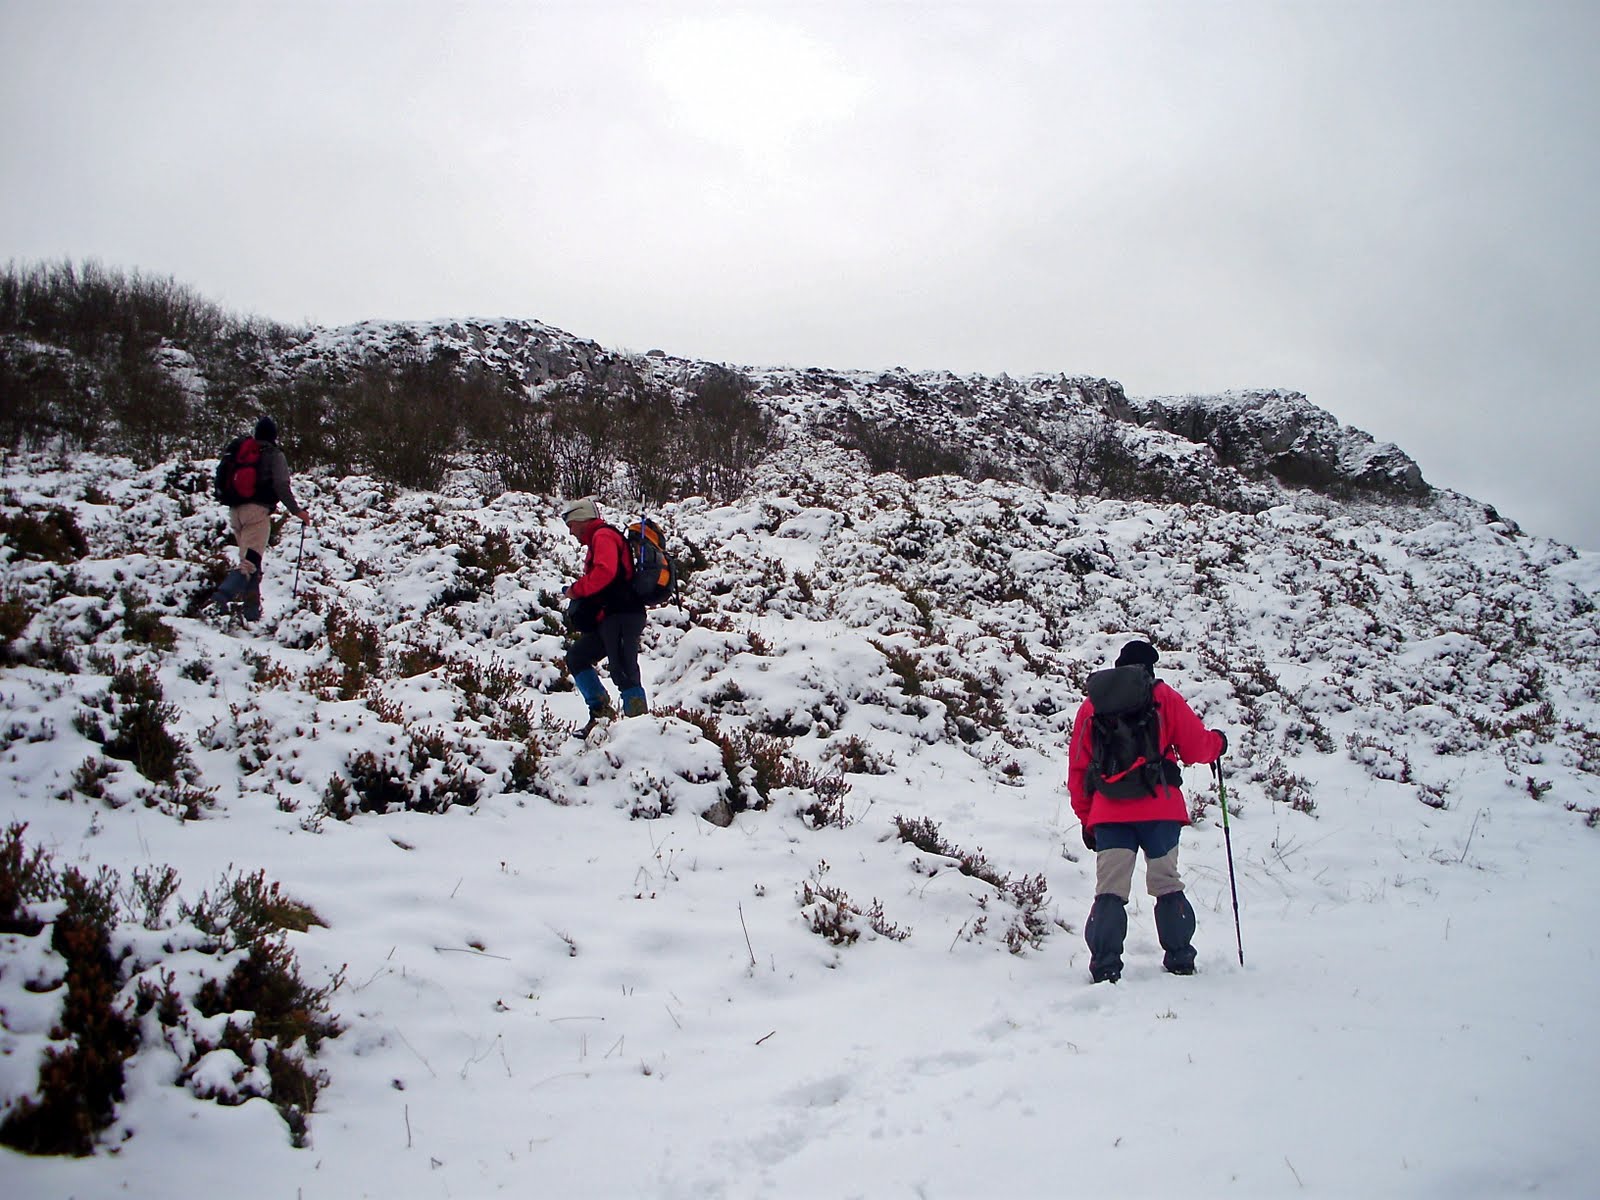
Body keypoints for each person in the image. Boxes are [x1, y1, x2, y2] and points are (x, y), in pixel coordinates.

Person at [1067, 639, 1227, 982]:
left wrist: (1086, 817)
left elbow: (1079, 769)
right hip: (1161, 808)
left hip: (1109, 811)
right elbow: (1197, 746)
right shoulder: (1163, 697)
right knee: (1167, 882)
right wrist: (1219, 743)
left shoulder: (1093, 706)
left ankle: (1106, 966)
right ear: (1149, 669)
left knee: (1110, 889)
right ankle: (1180, 957)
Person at [560, 496, 648, 735]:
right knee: (578, 657)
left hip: (622, 614)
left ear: (581, 519)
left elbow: (605, 572)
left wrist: (576, 591)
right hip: (610, 615)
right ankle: (600, 716)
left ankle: (639, 729)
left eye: (571, 526)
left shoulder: (603, 536)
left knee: (624, 670)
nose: (571, 533)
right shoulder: (599, 538)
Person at [209, 416, 311, 621]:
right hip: (257, 513)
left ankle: (251, 612)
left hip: (235, 511)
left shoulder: (242, 452)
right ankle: (219, 599)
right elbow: (281, 485)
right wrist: (297, 511)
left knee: (250, 562)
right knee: (249, 564)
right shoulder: (273, 454)